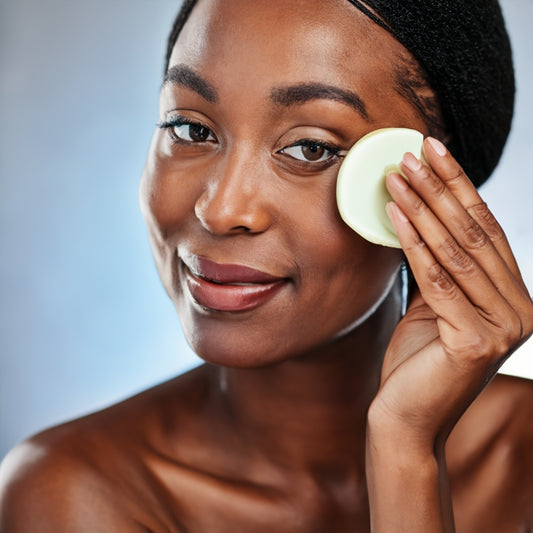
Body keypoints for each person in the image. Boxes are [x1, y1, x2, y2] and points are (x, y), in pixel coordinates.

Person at [1, 0, 532, 531]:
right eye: (190, 129)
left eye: (309, 147)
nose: (221, 209)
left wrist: (406, 448)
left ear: (440, 188)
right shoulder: (71, 495)